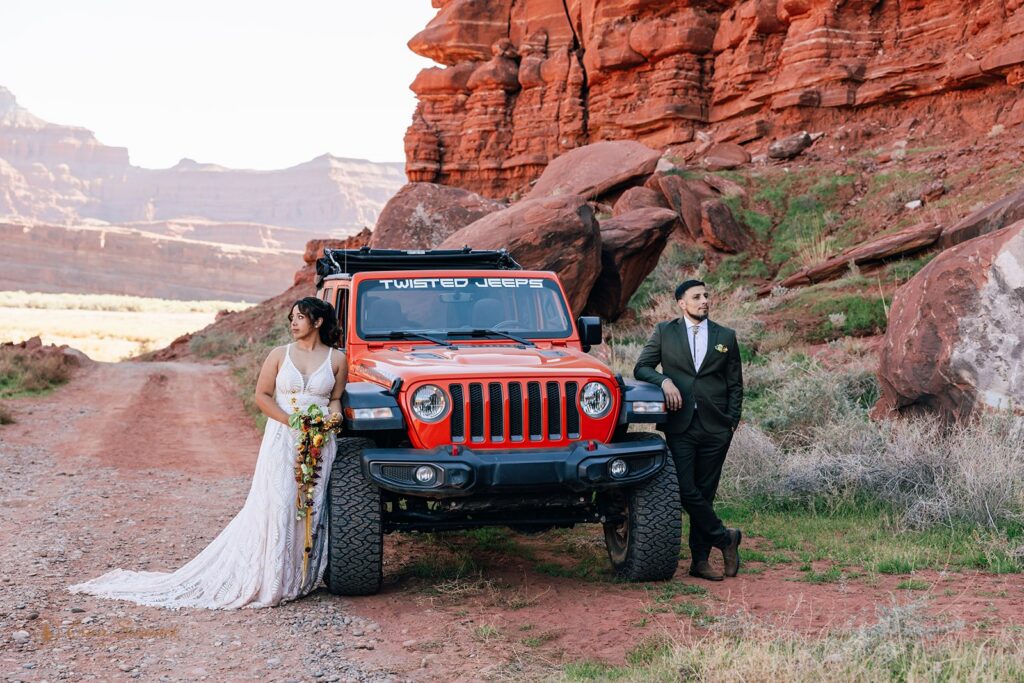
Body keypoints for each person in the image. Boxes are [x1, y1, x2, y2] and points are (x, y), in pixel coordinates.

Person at [69, 297, 348, 609]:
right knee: (280, 501)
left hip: (320, 441)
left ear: (318, 322)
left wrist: (332, 419)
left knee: (310, 504)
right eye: (291, 318)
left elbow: (334, 399)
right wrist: (291, 421)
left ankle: (298, 577)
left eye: (300, 317)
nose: (293, 323)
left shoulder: (336, 359)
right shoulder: (278, 355)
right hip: (283, 437)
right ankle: (271, 578)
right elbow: (262, 395)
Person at [634, 280, 743, 581]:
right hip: (681, 423)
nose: (704, 300)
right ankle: (725, 538)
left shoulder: (726, 336)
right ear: (682, 303)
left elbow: (735, 383)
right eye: (696, 297)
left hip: (717, 426)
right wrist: (664, 382)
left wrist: (731, 421)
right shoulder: (664, 332)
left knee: (704, 493)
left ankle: (700, 561)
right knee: (684, 488)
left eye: (707, 295)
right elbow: (641, 367)